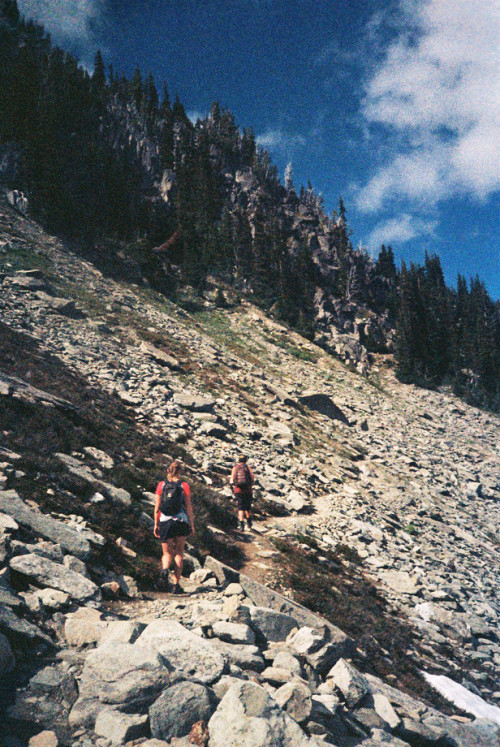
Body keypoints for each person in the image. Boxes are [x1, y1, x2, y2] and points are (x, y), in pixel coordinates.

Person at [153, 460, 194, 593]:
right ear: (180, 471)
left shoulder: (161, 485)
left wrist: (156, 523)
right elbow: (188, 506)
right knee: (179, 553)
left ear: (168, 471)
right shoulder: (184, 486)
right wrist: (191, 525)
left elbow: (157, 507)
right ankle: (176, 585)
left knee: (166, 552)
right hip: (181, 521)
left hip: (165, 521)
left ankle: (165, 570)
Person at [230, 454, 255, 532]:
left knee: (240, 507)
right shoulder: (247, 467)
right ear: (245, 460)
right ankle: (249, 524)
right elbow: (252, 478)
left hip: (238, 490)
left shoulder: (235, 467)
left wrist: (233, 487)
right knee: (247, 507)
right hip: (247, 490)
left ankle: (241, 526)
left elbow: (232, 479)